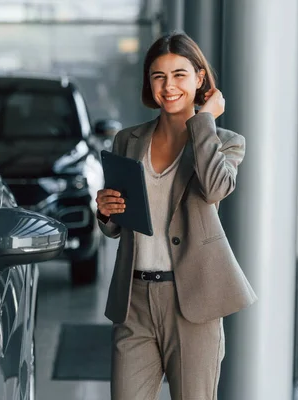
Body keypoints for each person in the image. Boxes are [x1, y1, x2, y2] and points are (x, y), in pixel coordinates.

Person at [95, 31, 257, 400]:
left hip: (192, 302)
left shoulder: (226, 142)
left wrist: (204, 121)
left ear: (200, 79)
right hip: (134, 301)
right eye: (158, 76)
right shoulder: (127, 140)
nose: (168, 86)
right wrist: (106, 212)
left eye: (179, 75)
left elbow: (216, 188)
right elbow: (119, 224)